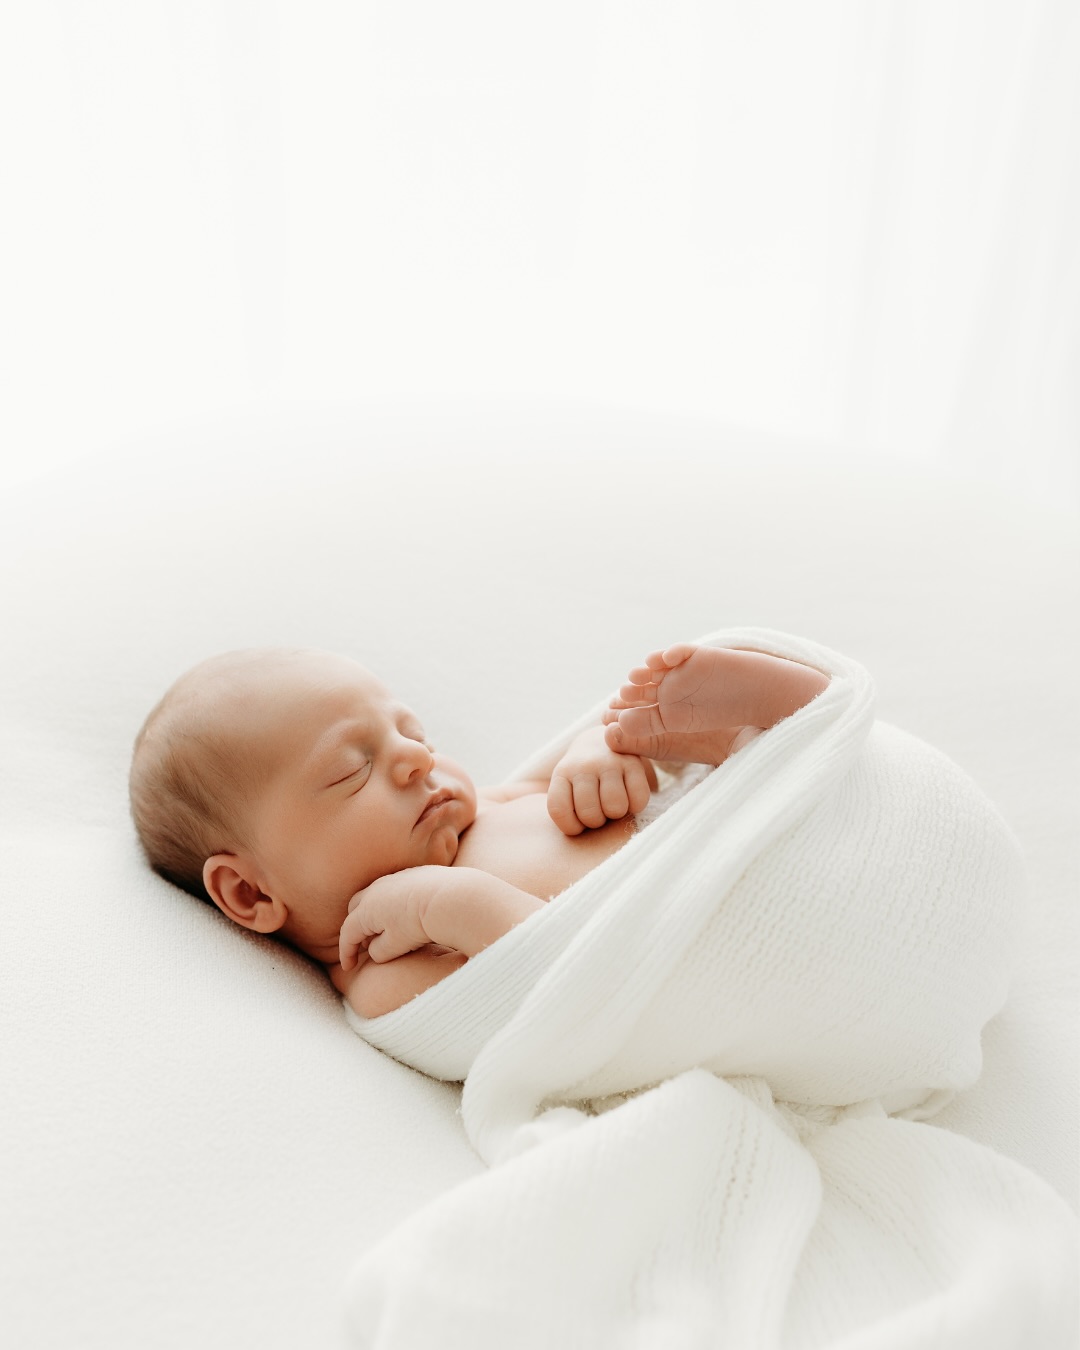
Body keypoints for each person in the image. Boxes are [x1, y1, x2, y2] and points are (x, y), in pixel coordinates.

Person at [129, 644, 829, 1019]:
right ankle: (793, 729)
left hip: (724, 828)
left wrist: (603, 756)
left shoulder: (488, 805)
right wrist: (450, 908)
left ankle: (791, 722)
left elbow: (559, 772)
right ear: (250, 893)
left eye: (412, 732)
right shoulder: (380, 973)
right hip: (698, 934)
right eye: (352, 770)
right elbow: (557, 990)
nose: (416, 759)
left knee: (670, 738)